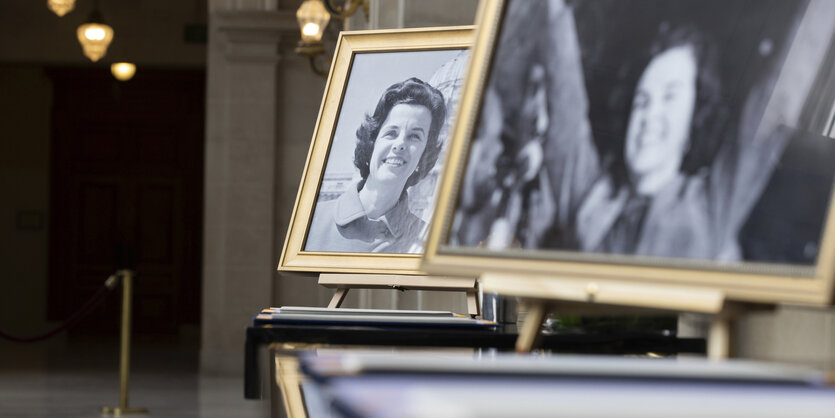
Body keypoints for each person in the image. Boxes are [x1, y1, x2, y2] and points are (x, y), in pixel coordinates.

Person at [305, 77, 446, 253]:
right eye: (391, 133)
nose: (400, 143)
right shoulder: (310, 220)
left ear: (424, 155)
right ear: (372, 143)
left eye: (414, 136)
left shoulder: (431, 243)